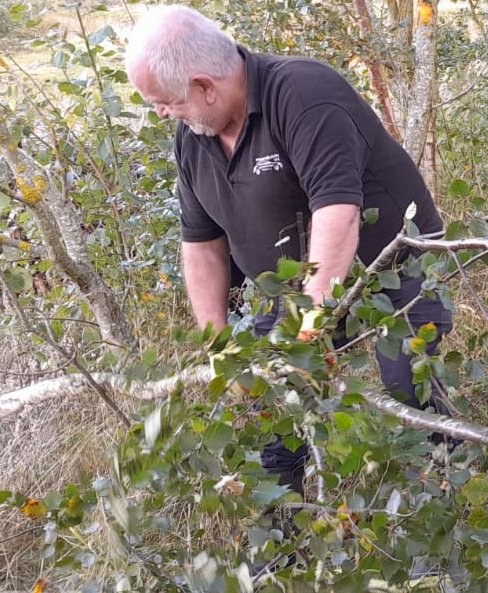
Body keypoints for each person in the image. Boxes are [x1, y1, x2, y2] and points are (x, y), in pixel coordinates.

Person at [125, 5, 453, 495]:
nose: (162, 112)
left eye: (166, 101)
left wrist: (311, 327)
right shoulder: (193, 139)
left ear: (205, 86)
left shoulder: (302, 93)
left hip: (395, 271)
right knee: (274, 420)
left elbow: (337, 211)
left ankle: (451, 503)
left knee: (408, 396)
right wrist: (220, 345)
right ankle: (277, 549)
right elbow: (201, 246)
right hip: (296, 291)